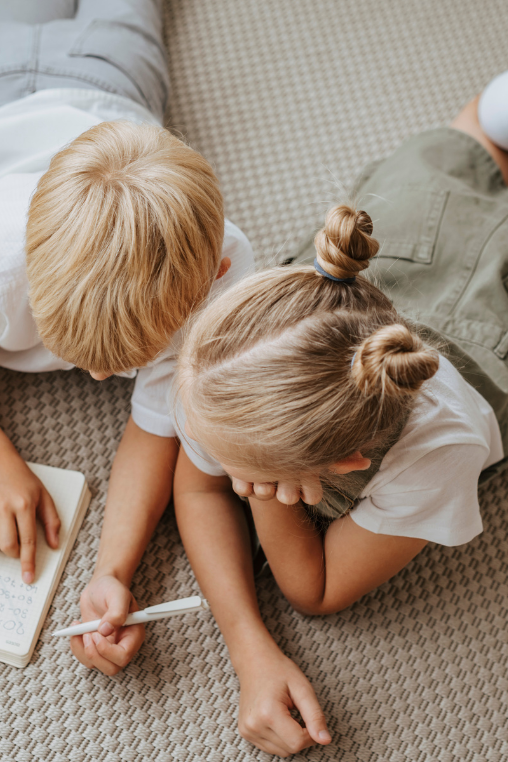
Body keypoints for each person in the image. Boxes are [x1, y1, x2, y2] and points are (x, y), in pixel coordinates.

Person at [171, 75, 508, 757]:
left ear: (347, 464)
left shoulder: (438, 452)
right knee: (477, 138)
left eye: (248, 474)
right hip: (424, 231)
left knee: (484, 144)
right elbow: (194, 486)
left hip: (473, 309)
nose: (216, 467)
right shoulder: (238, 370)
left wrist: (264, 499)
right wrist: (248, 647)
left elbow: (315, 589)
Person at [0, 0, 254, 671]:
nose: (99, 382)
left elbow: (156, 426)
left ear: (216, 276)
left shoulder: (219, 274)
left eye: (123, 364)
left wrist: (113, 570)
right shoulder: (2, 259)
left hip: (114, 75)